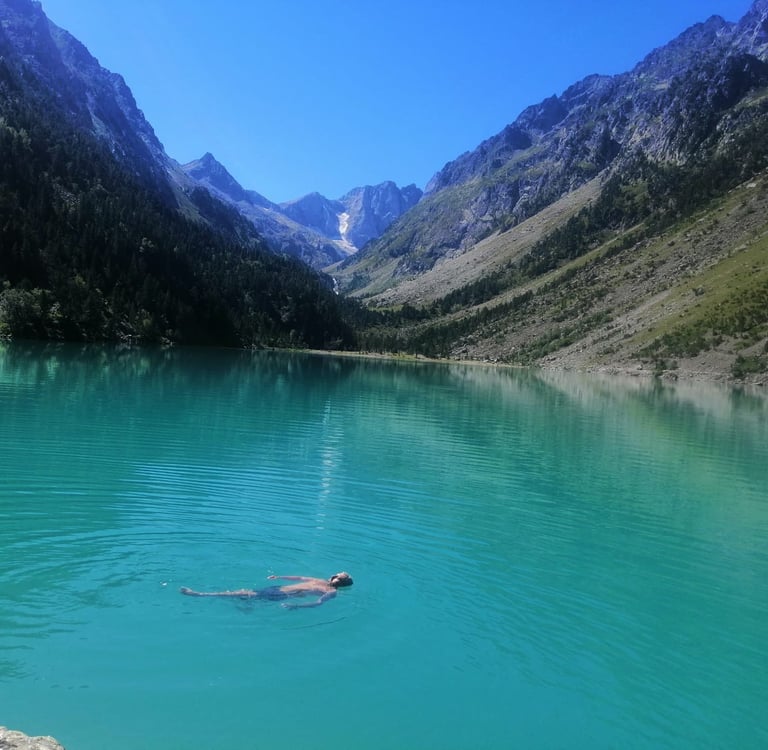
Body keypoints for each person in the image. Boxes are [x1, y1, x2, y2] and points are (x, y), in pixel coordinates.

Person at [179, 572, 353, 609]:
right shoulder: (319, 581)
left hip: (283, 594)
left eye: (338, 576)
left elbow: (317, 603)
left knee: (244, 593)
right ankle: (247, 607)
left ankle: (200, 595)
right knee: (248, 595)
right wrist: (279, 577)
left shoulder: (330, 591)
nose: (334, 576)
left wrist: (296, 606)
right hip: (278, 589)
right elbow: (299, 578)